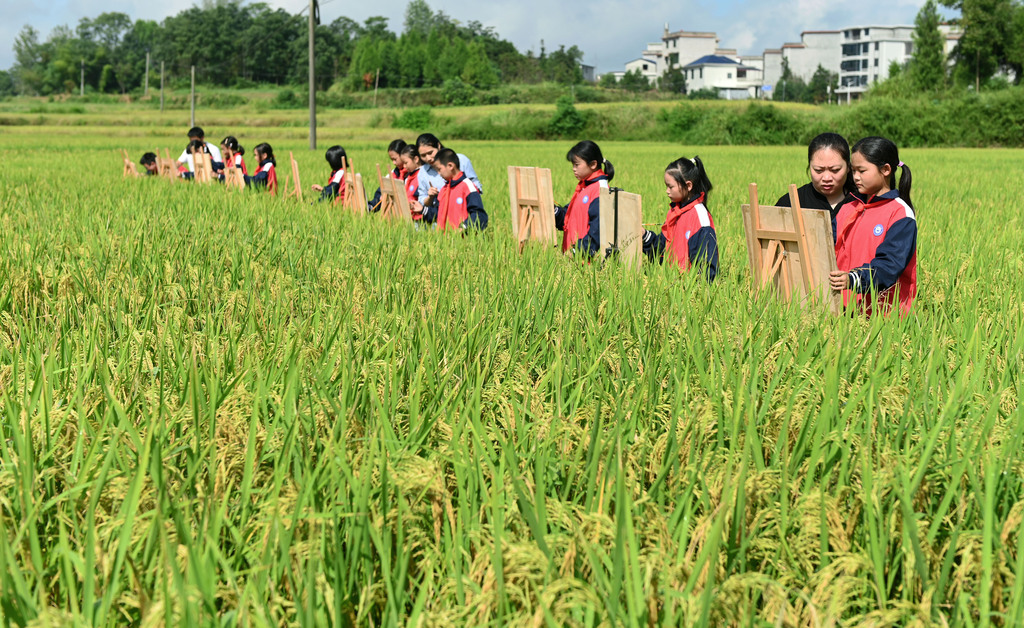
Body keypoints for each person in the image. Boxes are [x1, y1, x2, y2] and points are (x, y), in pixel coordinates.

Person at [828, 136, 917, 315]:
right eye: (853, 171)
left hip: (883, 317)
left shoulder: (900, 213)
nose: (855, 177)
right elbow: (827, 247)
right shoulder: (847, 207)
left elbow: (889, 266)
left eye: (862, 171)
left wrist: (853, 280)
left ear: (885, 170)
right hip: (842, 312)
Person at [641, 156, 718, 280]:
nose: (667, 191)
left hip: (687, 287)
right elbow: (662, 249)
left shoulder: (699, 218)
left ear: (688, 185)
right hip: (670, 283)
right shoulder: (675, 212)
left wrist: (695, 288)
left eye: (670, 187)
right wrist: (644, 236)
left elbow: (707, 267)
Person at [776, 132, 856, 239]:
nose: (826, 178)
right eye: (818, 170)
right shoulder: (791, 202)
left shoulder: (861, 200)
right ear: (810, 167)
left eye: (835, 170)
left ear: (848, 167)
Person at [554, 140, 612, 256]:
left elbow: (598, 231)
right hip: (572, 259)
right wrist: (554, 211)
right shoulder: (584, 186)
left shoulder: (600, 190)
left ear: (593, 164)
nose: (573, 169)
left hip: (585, 262)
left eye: (577, 165)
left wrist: (576, 252)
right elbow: (568, 219)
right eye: (573, 165)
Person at [420, 148, 487, 231]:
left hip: (463, 237)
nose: (438, 173)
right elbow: (438, 213)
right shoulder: (444, 189)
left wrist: (464, 227)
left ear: (450, 166)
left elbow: (479, 215)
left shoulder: (467, 186)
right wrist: (422, 209)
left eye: (439, 169)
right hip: (444, 237)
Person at [414, 133, 481, 211]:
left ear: (438, 146)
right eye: (423, 155)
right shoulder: (423, 172)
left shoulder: (461, 160)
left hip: (464, 210)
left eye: (430, 153)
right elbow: (422, 200)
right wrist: (430, 197)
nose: (428, 158)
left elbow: (476, 185)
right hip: (439, 214)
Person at [367, 139, 407, 212]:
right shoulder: (393, 173)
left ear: (404, 155)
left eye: (395, 159)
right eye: (392, 160)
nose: (394, 163)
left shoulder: (412, 173)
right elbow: (381, 191)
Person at [400, 145, 424, 220]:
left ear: (416, 159)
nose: (404, 166)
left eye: (406, 163)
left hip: (419, 219)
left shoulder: (422, 176)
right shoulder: (408, 176)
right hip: (409, 217)